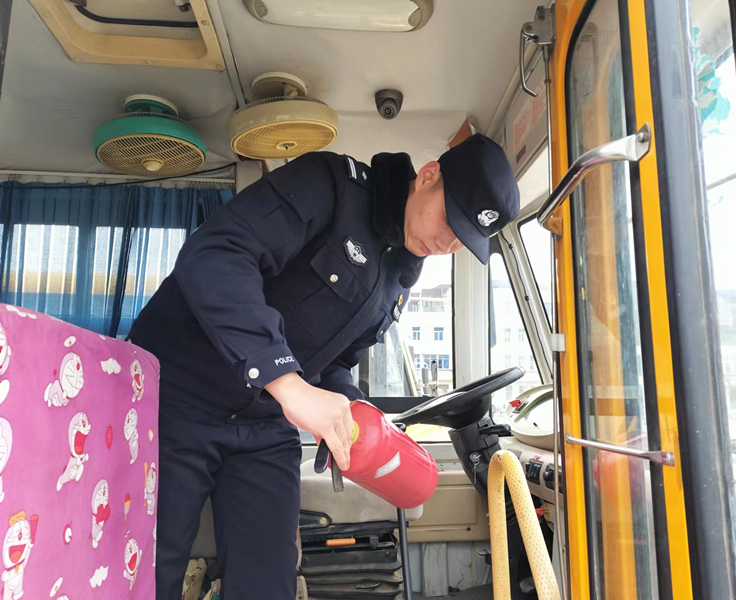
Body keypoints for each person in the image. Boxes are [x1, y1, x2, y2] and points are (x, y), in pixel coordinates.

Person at [128, 133, 520, 600]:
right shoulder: (330, 186)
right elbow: (216, 255)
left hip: (264, 421)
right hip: (175, 398)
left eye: (463, 239)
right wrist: (288, 384)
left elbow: (334, 359)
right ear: (428, 176)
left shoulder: (399, 276)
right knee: (143, 577)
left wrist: (349, 408)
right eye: (450, 219)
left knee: (268, 583)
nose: (446, 242)